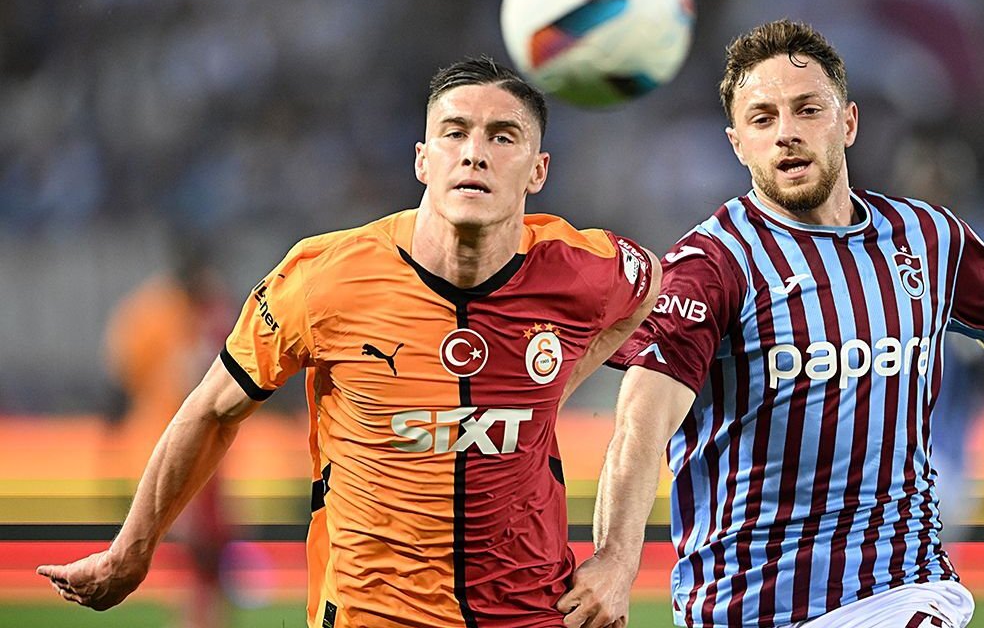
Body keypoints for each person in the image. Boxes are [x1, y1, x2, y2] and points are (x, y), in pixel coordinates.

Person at [557, 20, 984, 628]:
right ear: (738, 144)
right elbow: (642, 422)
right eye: (762, 119)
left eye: (807, 109)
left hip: (901, 586)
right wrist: (616, 558)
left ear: (849, 123)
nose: (787, 132)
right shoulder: (711, 266)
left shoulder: (928, 239)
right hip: (746, 601)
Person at [38, 56, 661, 628]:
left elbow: (653, 283)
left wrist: (615, 551)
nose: (475, 154)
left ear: (538, 171)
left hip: (530, 612)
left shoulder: (583, 268)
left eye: (503, 137)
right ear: (422, 161)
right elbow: (211, 409)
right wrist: (131, 552)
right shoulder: (325, 278)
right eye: (454, 133)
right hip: (372, 614)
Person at [101, 241, 235, 628]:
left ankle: (202, 618)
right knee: (196, 551)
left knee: (210, 551)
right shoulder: (151, 312)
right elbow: (119, 386)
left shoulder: (208, 310)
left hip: (207, 451)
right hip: (164, 445)